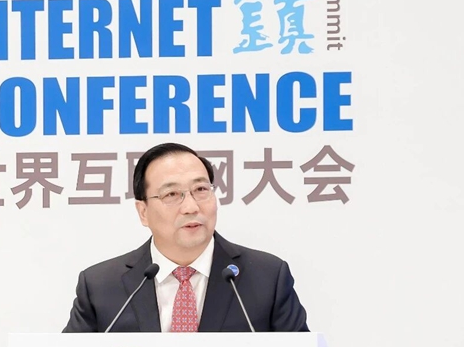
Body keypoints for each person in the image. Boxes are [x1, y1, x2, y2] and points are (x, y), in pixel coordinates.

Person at [62, 142, 309, 333]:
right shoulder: (100, 287)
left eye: (201, 189)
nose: (191, 207)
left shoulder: (267, 278)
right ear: (143, 212)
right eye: (171, 194)